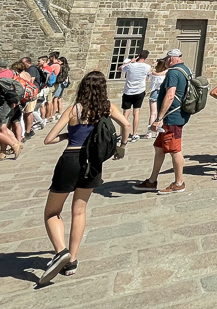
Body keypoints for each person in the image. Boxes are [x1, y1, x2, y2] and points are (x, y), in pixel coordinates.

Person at [38, 70, 130, 284]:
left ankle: (61, 251)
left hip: (71, 159)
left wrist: (67, 135)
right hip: (93, 163)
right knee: (79, 211)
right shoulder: (107, 107)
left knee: (52, 212)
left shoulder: (74, 109)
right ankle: (72, 260)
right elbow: (125, 125)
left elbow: (49, 139)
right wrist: (121, 147)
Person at [135, 49, 192, 194]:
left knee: (175, 150)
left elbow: (170, 95)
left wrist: (159, 118)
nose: (165, 62)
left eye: (166, 59)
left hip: (172, 117)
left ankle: (179, 183)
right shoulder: (186, 69)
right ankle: (152, 181)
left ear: (171, 59)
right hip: (174, 116)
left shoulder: (173, 72)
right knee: (159, 148)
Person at [120, 50, 151, 141]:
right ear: (146, 58)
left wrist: (130, 61)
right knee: (136, 112)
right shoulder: (147, 66)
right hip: (139, 91)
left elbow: (120, 68)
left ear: (138, 56)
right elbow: (150, 74)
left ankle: (122, 134)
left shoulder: (130, 65)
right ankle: (134, 134)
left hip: (128, 91)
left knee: (125, 113)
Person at [146, 57, 167, 139]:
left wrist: (152, 65)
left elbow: (148, 73)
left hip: (154, 92)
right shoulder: (166, 73)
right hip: (162, 93)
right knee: (160, 113)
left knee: (152, 113)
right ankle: (157, 132)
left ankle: (149, 132)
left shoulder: (153, 73)